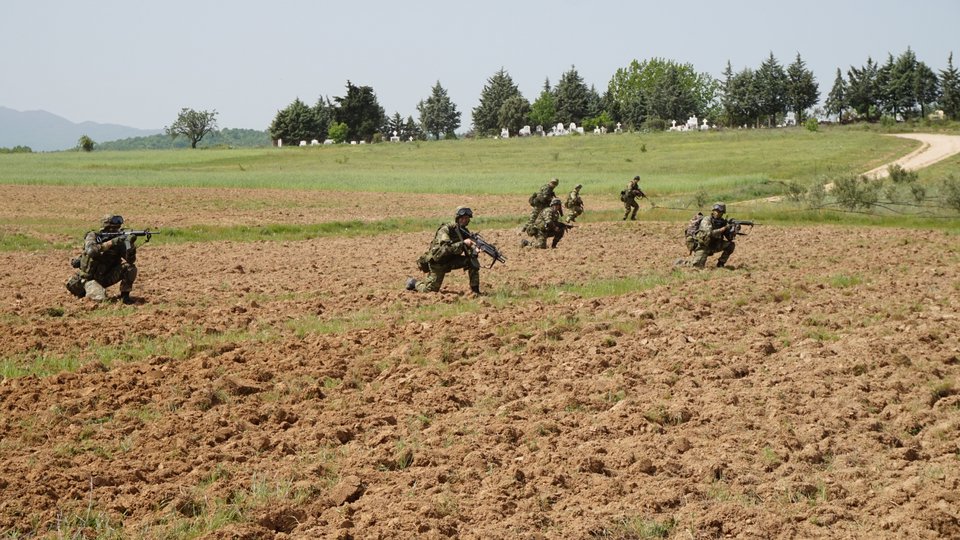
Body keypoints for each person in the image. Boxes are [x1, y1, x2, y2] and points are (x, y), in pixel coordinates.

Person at [407, 206, 482, 295]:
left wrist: (474, 251)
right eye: (462, 218)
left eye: (467, 218)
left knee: (472, 262)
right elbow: (445, 248)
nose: (464, 220)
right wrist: (463, 243)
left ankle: (475, 291)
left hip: (451, 260)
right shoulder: (446, 229)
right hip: (438, 262)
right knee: (429, 291)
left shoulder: (464, 232)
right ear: (457, 218)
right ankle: (413, 283)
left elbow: (468, 251)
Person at [65, 214, 138, 304]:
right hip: (89, 279)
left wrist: (129, 245)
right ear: (106, 226)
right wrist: (112, 242)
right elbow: (92, 251)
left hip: (105, 278)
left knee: (130, 268)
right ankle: (86, 293)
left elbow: (131, 260)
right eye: (113, 228)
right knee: (99, 300)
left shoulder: (119, 241)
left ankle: (125, 297)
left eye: (117, 228)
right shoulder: (93, 236)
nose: (116, 230)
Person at [686, 203, 736, 268]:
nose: (717, 213)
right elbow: (709, 233)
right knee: (696, 266)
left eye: (720, 212)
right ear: (713, 211)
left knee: (730, 245)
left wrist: (733, 230)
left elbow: (729, 238)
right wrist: (723, 229)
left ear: (723, 213)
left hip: (715, 245)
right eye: (716, 211)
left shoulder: (723, 222)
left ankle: (721, 264)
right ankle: (682, 263)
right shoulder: (707, 220)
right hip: (703, 246)